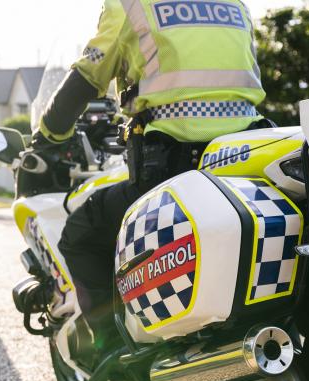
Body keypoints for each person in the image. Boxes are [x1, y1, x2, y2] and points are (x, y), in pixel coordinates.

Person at [33, 0, 268, 353]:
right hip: (241, 161)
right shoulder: (235, 5)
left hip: (172, 168)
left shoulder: (130, 4)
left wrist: (47, 134)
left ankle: (110, 348)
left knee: (82, 234)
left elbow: (86, 77)